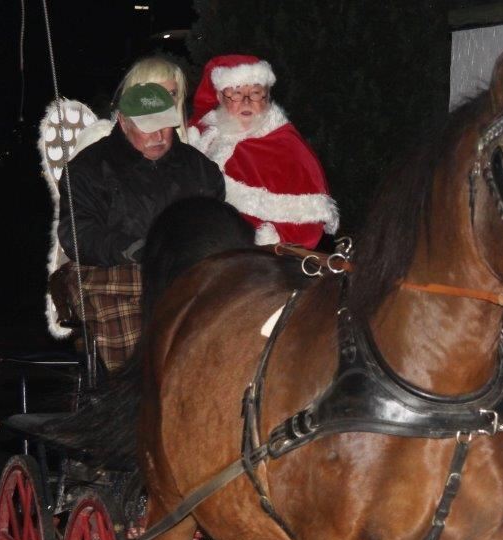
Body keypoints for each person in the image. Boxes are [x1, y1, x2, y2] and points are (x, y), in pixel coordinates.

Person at [54, 82, 225, 370]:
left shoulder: (200, 169)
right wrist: (128, 248)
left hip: (183, 271)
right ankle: (134, 397)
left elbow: (216, 225)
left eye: (166, 126)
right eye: (149, 127)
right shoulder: (88, 168)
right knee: (140, 329)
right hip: (114, 271)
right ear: (122, 121)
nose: (159, 136)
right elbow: (76, 233)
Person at [188, 54, 338, 249]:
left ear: (267, 97)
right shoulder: (204, 137)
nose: (246, 101)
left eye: (256, 93)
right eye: (236, 93)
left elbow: (310, 225)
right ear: (219, 97)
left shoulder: (287, 145)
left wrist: (271, 239)